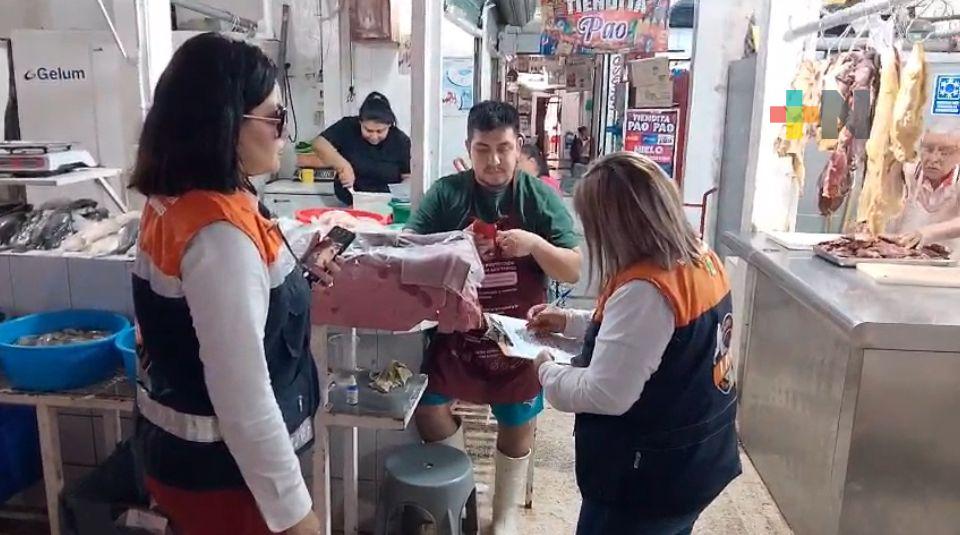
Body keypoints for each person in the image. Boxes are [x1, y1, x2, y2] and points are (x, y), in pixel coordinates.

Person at [129, 33, 341, 535]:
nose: (283, 135)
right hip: (227, 481)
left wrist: (297, 259)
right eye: (275, 118)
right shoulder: (219, 236)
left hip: (188, 462)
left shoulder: (179, 200)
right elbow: (243, 397)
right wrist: (295, 515)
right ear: (225, 124)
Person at [527, 152, 741, 535]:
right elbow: (659, 341)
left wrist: (545, 369)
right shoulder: (698, 256)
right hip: (698, 456)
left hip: (646, 478)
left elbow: (606, 393)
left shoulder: (647, 288)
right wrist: (571, 322)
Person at [405, 101, 581, 534]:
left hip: (522, 331)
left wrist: (535, 246)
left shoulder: (539, 197)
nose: (495, 160)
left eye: (504, 148)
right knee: (427, 410)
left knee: (517, 419)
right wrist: (456, 245)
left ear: (518, 147)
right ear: (469, 147)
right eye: (483, 149)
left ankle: (502, 516)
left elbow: (572, 267)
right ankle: (460, 490)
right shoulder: (447, 193)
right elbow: (409, 250)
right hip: (460, 331)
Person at [312, 92, 412, 205]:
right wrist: (343, 166)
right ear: (360, 122)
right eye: (368, 130)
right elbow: (319, 143)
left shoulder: (401, 141)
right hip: (348, 203)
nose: (374, 136)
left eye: (380, 131)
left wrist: (399, 198)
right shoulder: (347, 127)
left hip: (387, 206)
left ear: (390, 125)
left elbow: (408, 177)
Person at [891, 128, 960, 255]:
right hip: (900, 257)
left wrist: (927, 233)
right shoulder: (906, 171)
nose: (934, 159)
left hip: (948, 264)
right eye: (928, 149)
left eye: (944, 153)